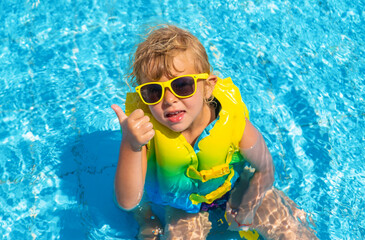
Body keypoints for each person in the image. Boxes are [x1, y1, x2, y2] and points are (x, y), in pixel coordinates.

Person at [111, 25, 317, 240]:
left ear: (208, 87)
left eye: (182, 85)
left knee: (292, 230)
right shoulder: (145, 134)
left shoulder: (232, 123)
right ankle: (146, 219)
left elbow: (265, 169)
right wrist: (131, 145)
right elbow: (128, 200)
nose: (169, 99)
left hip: (233, 187)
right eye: (153, 91)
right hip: (182, 208)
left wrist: (248, 204)